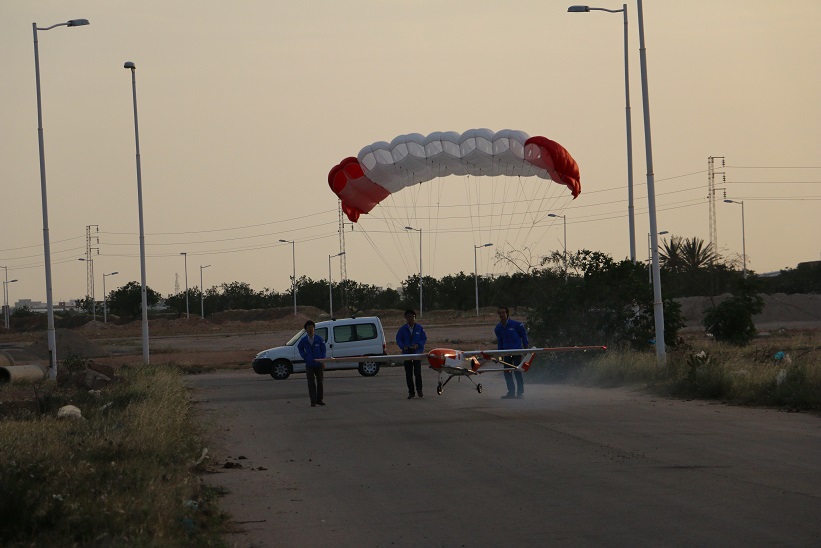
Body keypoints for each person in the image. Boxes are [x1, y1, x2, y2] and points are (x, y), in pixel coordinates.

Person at [495, 306, 528, 399]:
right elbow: (500, 342)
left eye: (503, 313)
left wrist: (526, 346)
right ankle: (511, 392)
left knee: (517, 371)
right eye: (500, 313)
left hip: (517, 351)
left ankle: (520, 393)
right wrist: (499, 354)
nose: (501, 315)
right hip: (506, 353)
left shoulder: (516, 325)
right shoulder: (498, 328)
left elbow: (523, 335)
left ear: (507, 314)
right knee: (507, 372)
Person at [396, 309, 427, 399]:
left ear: (415, 318)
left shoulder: (419, 328)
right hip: (406, 354)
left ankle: (420, 391)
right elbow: (398, 340)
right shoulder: (402, 329)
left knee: (417, 373)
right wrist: (403, 346)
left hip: (417, 353)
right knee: (408, 374)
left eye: (412, 317)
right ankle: (411, 392)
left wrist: (418, 345)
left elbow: (423, 339)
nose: (410, 319)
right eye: (408, 317)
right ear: (405, 318)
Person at [297, 319, 326, 407]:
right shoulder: (304, 340)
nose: (311, 329)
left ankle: (319, 399)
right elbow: (300, 348)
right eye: (309, 327)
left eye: (312, 327)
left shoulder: (319, 339)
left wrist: (323, 360)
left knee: (320, 382)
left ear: (314, 328)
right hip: (309, 364)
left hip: (319, 363)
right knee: (311, 382)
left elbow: (323, 350)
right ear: (306, 329)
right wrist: (305, 356)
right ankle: (313, 401)